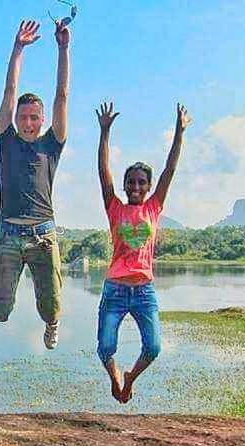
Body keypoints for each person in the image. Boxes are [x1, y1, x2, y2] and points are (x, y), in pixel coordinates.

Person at [95, 100, 192, 402]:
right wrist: (104, 133)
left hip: (144, 290)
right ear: (124, 185)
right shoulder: (115, 208)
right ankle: (114, 374)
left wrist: (179, 132)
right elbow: (103, 170)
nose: (135, 186)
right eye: (131, 182)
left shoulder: (154, 207)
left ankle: (130, 377)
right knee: (105, 346)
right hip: (115, 288)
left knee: (153, 348)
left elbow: (170, 169)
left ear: (148, 187)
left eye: (141, 182)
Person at [0, 19, 70, 349]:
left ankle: (52, 323)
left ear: (42, 120)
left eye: (34, 117)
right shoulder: (4, 140)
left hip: (43, 237)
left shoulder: (51, 144)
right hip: (7, 234)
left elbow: (62, 96)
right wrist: (18, 48)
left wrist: (63, 49)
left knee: (50, 308)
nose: (27, 122)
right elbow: (9, 92)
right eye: (23, 117)